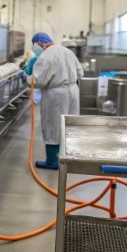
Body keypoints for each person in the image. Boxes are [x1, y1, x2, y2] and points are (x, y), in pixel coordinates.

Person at [30, 32, 83, 170]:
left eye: (34, 44)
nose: (34, 48)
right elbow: (80, 72)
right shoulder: (67, 51)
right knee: (69, 124)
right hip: (73, 89)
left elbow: (37, 80)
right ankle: (69, 157)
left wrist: (24, 77)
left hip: (56, 94)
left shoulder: (45, 56)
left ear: (40, 43)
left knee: (53, 125)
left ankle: (52, 161)